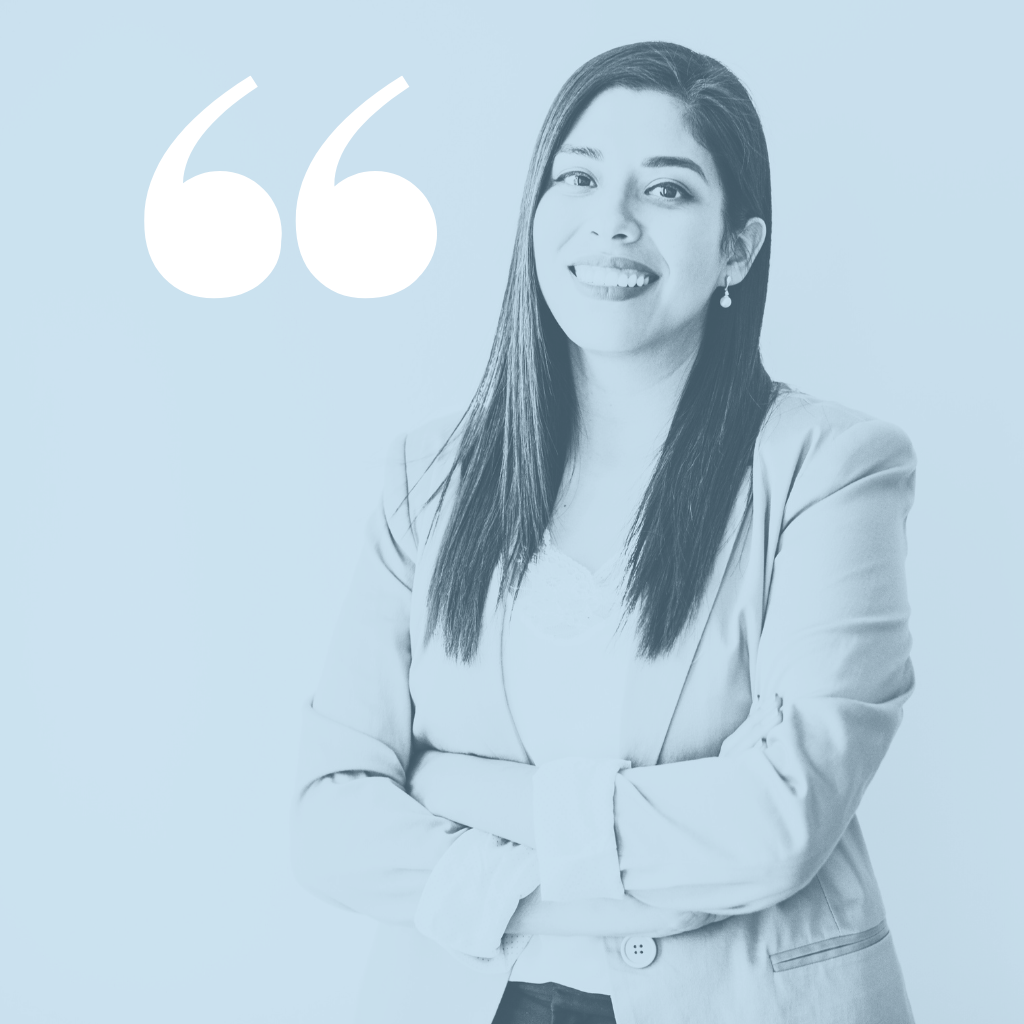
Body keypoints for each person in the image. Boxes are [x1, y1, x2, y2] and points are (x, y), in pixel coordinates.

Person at [291, 40, 917, 1024]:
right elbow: (330, 813)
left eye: (666, 191)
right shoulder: (430, 474)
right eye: (576, 177)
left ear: (737, 248)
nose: (609, 222)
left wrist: (457, 789)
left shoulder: (833, 467)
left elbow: (779, 819)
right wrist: (558, 890)